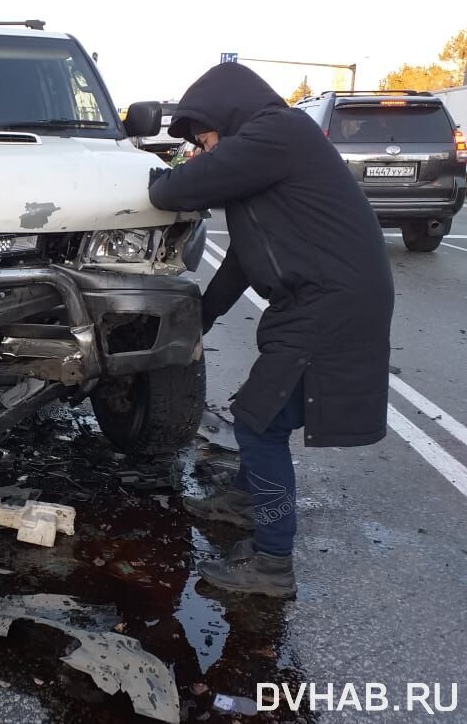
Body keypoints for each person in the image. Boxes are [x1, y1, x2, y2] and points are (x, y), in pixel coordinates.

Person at [147, 63, 394, 598]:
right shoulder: (270, 150)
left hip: (330, 305)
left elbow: (175, 192)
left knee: (258, 424)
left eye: (205, 138)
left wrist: (153, 176)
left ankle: (272, 563)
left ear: (224, 114)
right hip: (323, 299)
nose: (205, 151)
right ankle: (244, 501)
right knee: (266, 414)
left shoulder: (278, 132)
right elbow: (242, 256)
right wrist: (203, 318)